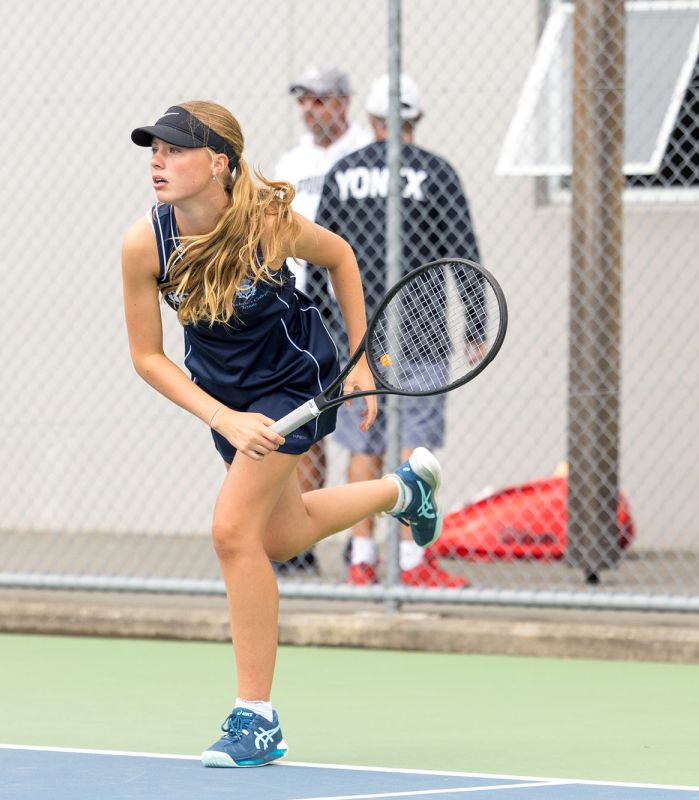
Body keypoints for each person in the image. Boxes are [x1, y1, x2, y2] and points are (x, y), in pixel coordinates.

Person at [122, 100, 445, 767]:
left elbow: (342, 257)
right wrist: (223, 418)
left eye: (175, 150)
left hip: (296, 386)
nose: (159, 161)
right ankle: (401, 490)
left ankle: (256, 719)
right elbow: (148, 357)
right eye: (153, 150)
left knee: (231, 532)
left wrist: (360, 363)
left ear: (219, 163)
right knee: (280, 535)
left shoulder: (268, 225)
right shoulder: (144, 245)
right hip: (228, 403)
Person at [308, 74, 483, 588]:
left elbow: (321, 259)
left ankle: (361, 556)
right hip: (423, 332)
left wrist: (321, 330)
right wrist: (473, 324)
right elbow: (463, 252)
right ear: (417, 120)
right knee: (416, 447)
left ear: (371, 120)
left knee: (364, 445)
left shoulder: (343, 173)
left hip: (357, 338)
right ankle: (410, 562)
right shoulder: (437, 173)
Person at [270, 66, 374, 577]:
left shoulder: (367, 153)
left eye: (320, 100)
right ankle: (299, 544)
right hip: (300, 313)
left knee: (360, 433)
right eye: (304, 101)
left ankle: (363, 551)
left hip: (351, 306)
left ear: (343, 102)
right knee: (304, 431)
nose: (311, 110)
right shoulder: (292, 162)